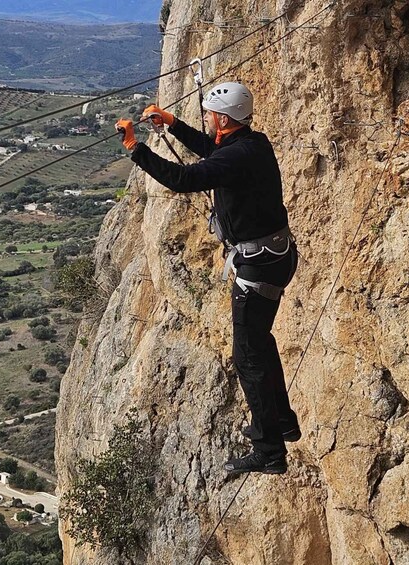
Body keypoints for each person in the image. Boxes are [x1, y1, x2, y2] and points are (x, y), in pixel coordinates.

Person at [115, 82, 300, 475]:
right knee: (259, 345)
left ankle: (270, 451)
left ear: (223, 118)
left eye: (210, 115)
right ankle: (280, 420)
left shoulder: (235, 157)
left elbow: (183, 180)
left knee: (248, 356)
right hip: (273, 256)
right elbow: (215, 154)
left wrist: (136, 149)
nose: (207, 119)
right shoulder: (253, 144)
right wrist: (174, 124)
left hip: (258, 266)